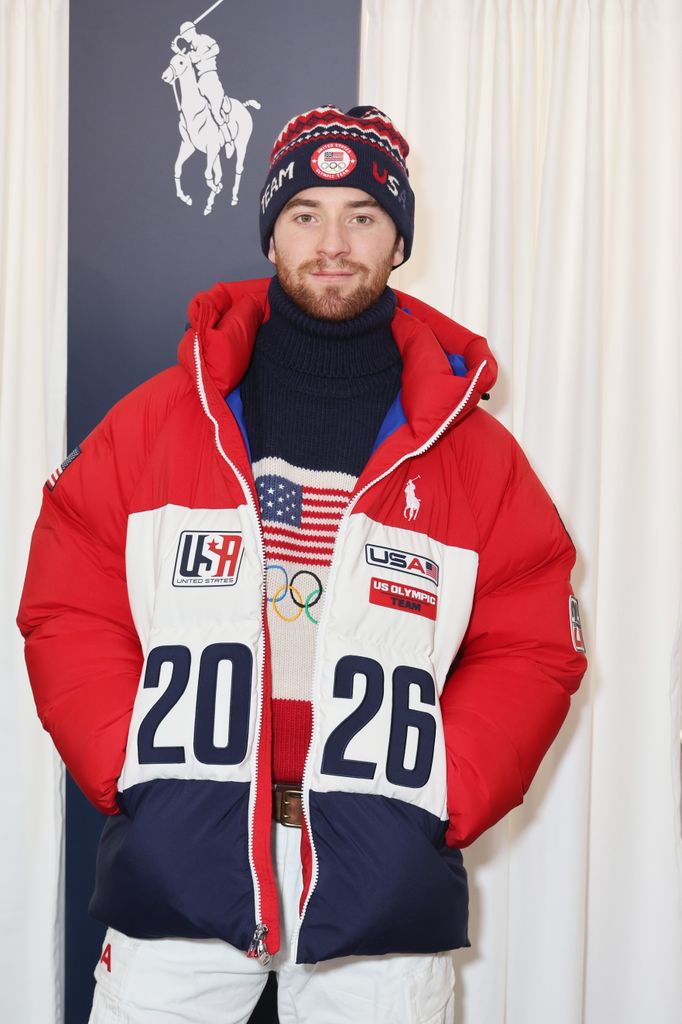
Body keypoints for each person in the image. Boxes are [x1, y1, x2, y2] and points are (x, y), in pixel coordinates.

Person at [18, 105, 587, 1023]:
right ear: (271, 232)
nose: (332, 243)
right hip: (185, 853)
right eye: (305, 213)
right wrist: (128, 767)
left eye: (362, 216)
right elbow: (69, 602)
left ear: (398, 240)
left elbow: (532, 644)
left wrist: (444, 790)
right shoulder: (161, 418)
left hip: (379, 871)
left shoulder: (471, 452)